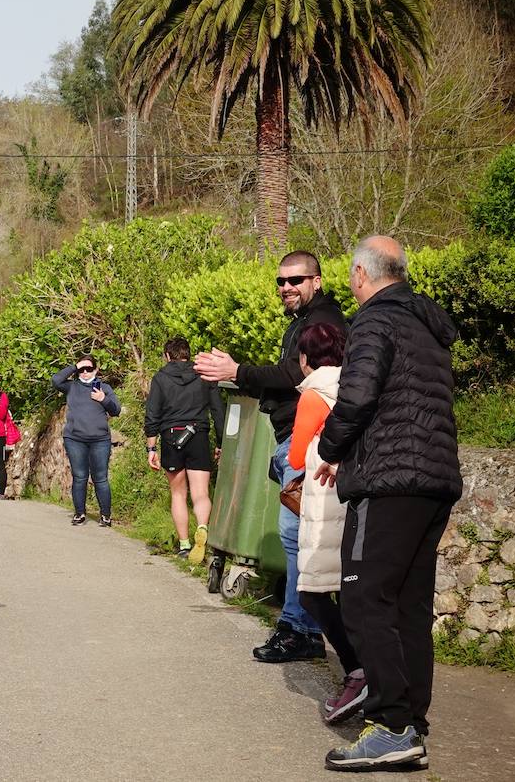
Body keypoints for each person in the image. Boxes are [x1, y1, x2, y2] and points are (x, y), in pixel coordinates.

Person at [316, 237, 462, 773]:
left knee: (362, 599)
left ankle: (391, 724)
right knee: (407, 607)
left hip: (387, 479)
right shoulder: (428, 325)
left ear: (360, 274)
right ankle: (411, 726)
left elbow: (356, 397)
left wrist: (329, 449)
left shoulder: (375, 321)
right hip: (434, 479)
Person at [194, 250, 345, 663]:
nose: (286, 288)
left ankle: (300, 629)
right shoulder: (302, 323)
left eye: (295, 280)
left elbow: (297, 377)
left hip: (308, 441)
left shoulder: (322, 322)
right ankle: (303, 626)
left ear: (317, 280)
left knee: (299, 540)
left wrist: (238, 372)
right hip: (294, 440)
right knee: (297, 539)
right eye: (280, 282)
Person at [286, 322, 366, 726]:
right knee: (349, 591)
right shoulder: (357, 385)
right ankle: (364, 670)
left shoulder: (315, 393)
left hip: (324, 506)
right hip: (353, 501)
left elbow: (297, 456)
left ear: (306, 358)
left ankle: (357, 670)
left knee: (313, 593)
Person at [145, 337, 222, 563]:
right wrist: (220, 443)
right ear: (188, 354)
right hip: (197, 435)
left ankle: (185, 545)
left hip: (171, 438)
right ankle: (202, 527)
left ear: (167, 356)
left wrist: (151, 447)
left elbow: (152, 415)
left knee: (179, 494)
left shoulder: (160, 378)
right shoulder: (204, 376)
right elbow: (218, 410)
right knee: (201, 494)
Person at [52, 356, 121, 527]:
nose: (84, 372)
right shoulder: (71, 387)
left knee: (100, 478)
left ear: (96, 370)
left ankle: (105, 515)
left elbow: (116, 410)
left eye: (88, 369)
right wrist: (74, 366)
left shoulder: (104, 388)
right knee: (80, 477)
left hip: (100, 440)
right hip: (75, 439)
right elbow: (55, 380)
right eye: (81, 369)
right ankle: (79, 513)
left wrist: (103, 399)